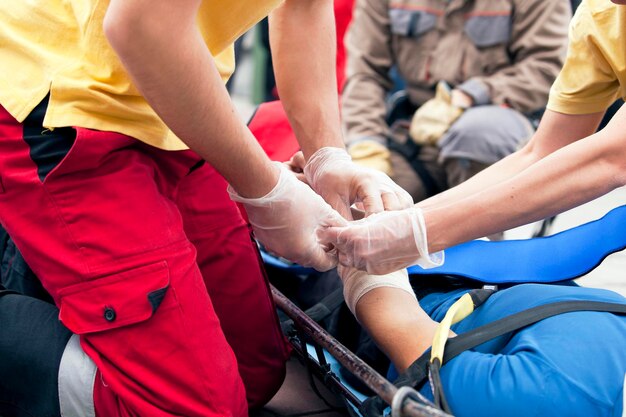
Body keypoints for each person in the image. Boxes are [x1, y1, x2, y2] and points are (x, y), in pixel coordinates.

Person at [0, 0, 414, 416]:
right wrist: (269, 192)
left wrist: (327, 157)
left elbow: (304, 6)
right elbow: (140, 26)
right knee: (201, 407)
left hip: (167, 101)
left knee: (257, 372)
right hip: (58, 99)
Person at [321, 0, 626, 276]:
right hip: (412, 132)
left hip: (496, 122)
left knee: (478, 133)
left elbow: (612, 158)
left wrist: (421, 233)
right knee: (362, 198)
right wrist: (393, 213)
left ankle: (471, 267)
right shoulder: (599, 14)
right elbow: (541, 153)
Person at [341, 0, 571, 202]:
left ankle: (480, 245)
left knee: (476, 135)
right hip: (416, 132)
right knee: (366, 202)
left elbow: (547, 67)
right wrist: (366, 144)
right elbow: (365, 74)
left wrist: (470, 95)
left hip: (501, 121)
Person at [338, 267, 626, 416]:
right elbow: (392, 313)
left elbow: (390, 312)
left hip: (507, 278)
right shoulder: (534, 397)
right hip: (428, 289)